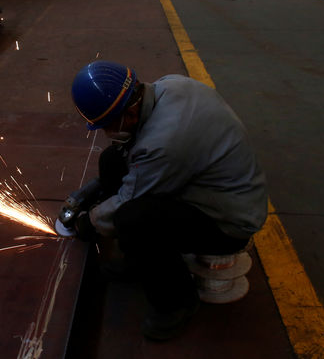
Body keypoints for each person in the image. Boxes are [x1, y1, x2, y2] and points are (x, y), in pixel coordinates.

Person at [61, 60, 268, 341]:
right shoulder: (169, 85)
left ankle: (177, 301)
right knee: (112, 159)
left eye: (108, 125)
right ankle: (139, 260)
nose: (107, 132)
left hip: (229, 219)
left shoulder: (163, 143)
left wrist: (90, 222)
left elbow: (128, 200)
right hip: (204, 183)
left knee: (134, 220)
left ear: (130, 114)